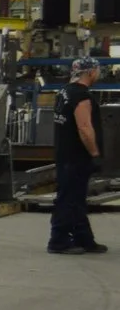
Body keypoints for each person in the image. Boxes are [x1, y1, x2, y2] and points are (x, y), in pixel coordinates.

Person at [48, 59, 106, 255]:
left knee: (76, 198)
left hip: (65, 154)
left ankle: (84, 238)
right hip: (77, 157)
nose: (99, 74)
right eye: (98, 71)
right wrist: (95, 153)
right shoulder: (82, 96)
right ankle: (58, 241)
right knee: (70, 200)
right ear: (90, 72)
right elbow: (84, 128)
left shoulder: (64, 92)